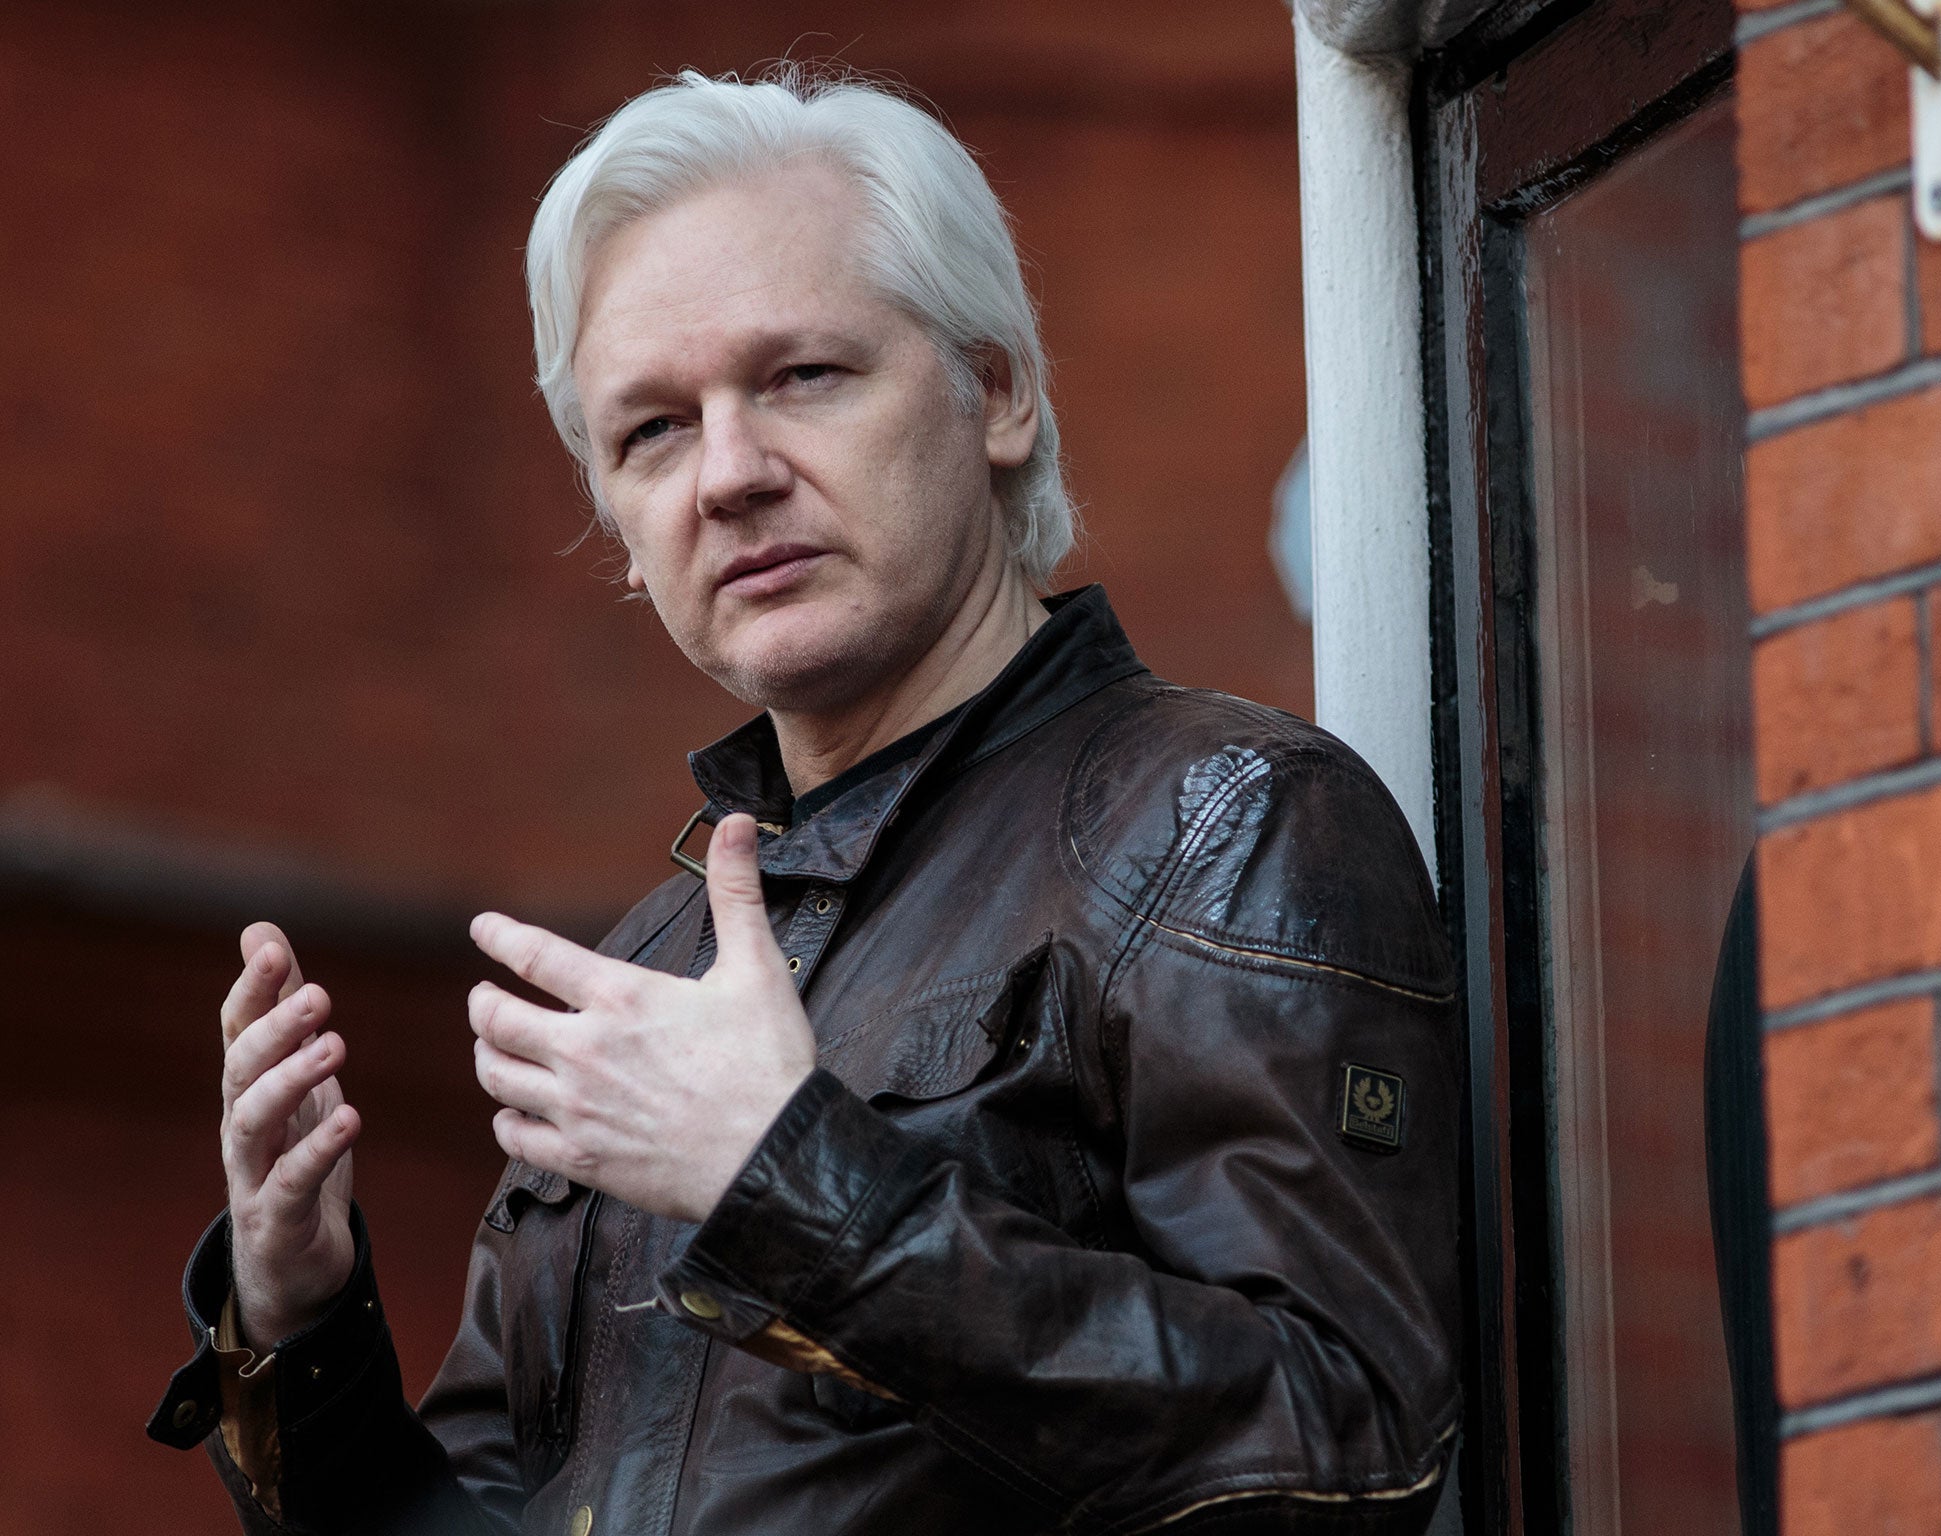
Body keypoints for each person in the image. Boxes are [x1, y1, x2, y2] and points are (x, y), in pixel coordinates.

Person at [150, 67, 1462, 1534]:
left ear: (997, 390)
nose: (729, 474)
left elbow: (1348, 1452)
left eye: (803, 378)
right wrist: (305, 1319)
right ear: (623, 536)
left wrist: (786, 1181)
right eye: (649, 430)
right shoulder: (655, 976)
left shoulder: (1225, 820)